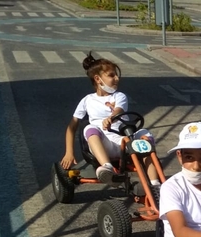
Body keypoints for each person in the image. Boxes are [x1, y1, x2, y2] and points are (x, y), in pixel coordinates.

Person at [60, 52, 160, 188]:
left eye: (117, 75)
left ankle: (155, 185)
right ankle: (107, 168)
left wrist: (111, 118)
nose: (117, 78)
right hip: (102, 144)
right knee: (89, 128)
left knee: (145, 134)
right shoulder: (87, 100)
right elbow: (72, 127)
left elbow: (119, 109)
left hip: (124, 143)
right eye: (111, 75)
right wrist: (69, 153)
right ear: (98, 79)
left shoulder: (119, 96)